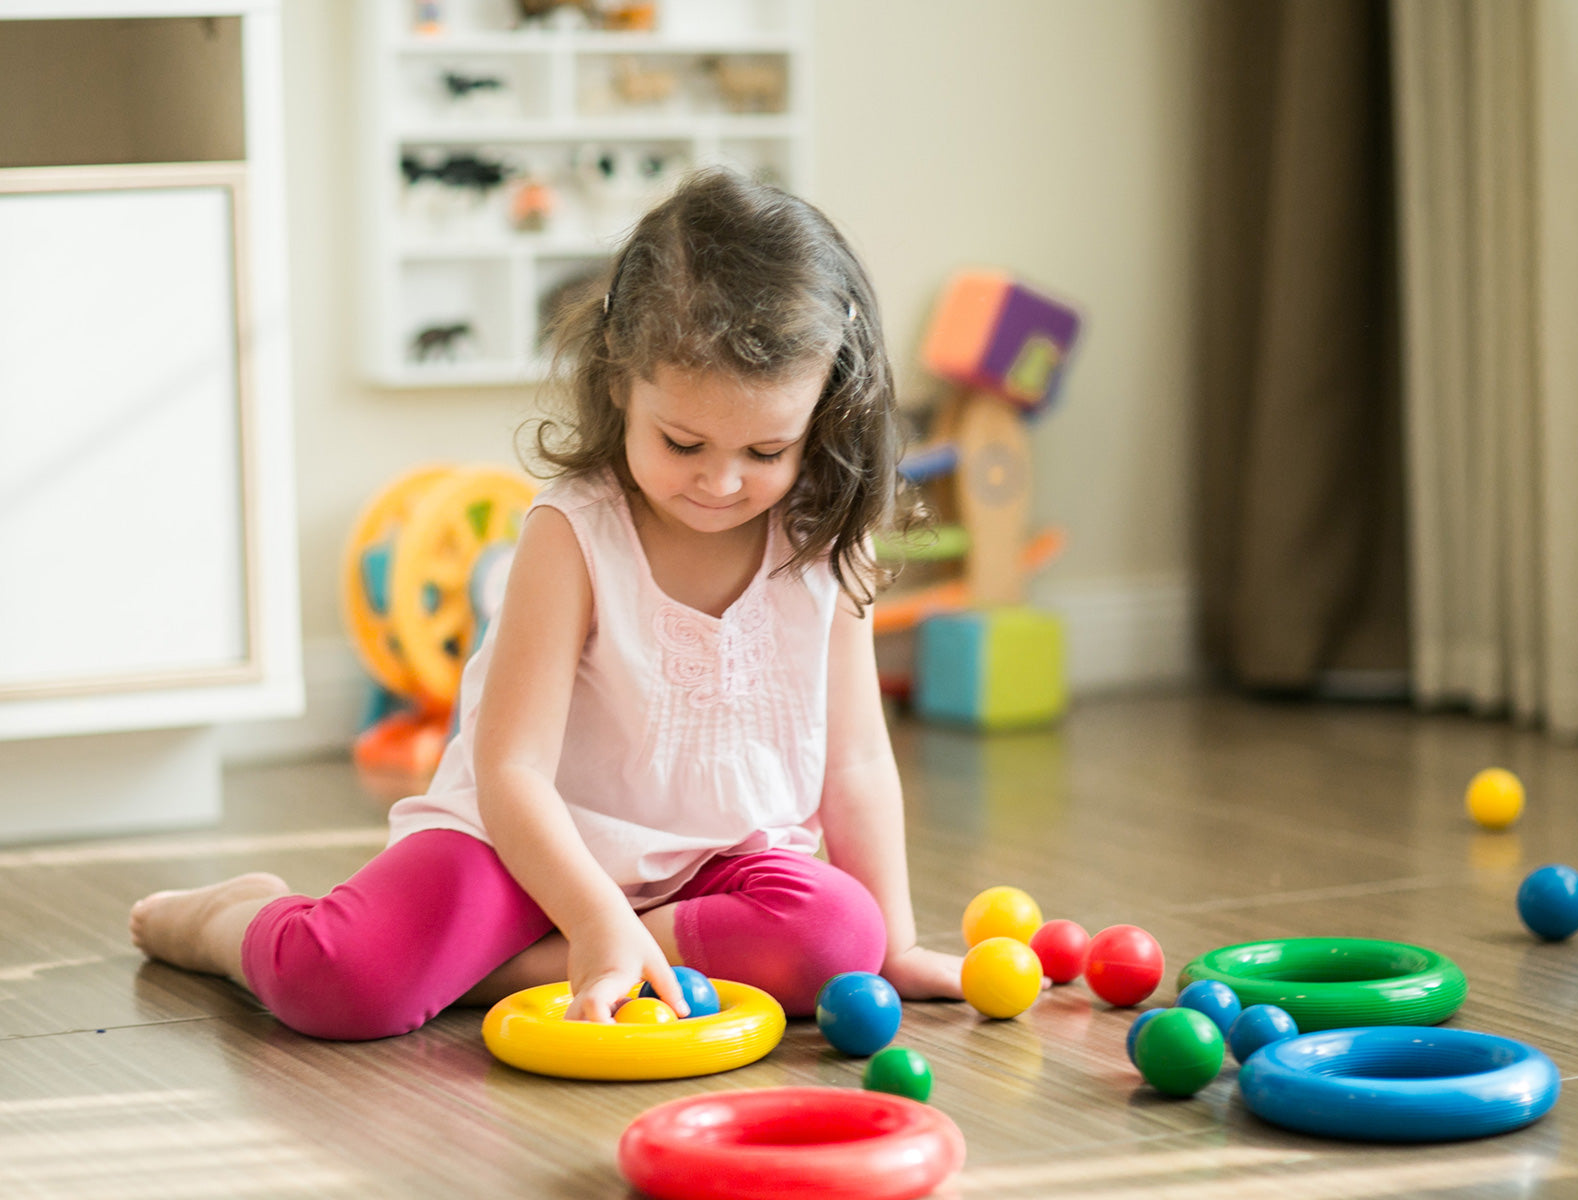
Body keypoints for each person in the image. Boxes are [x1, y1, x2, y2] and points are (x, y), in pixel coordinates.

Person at [130, 168, 964, 1039]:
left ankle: (538, 969)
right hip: (519, 852)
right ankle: (235, 921)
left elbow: (858, 763)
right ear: (618, 385)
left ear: (824, 414)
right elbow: (512, 775)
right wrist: (595, 917)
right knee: (342, 985)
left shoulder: (826, 542)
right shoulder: (574, 534)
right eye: (682, 442)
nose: (721, 482)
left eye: (766, 448)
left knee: (841, 934)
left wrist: (896, 945)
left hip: (719, 868)